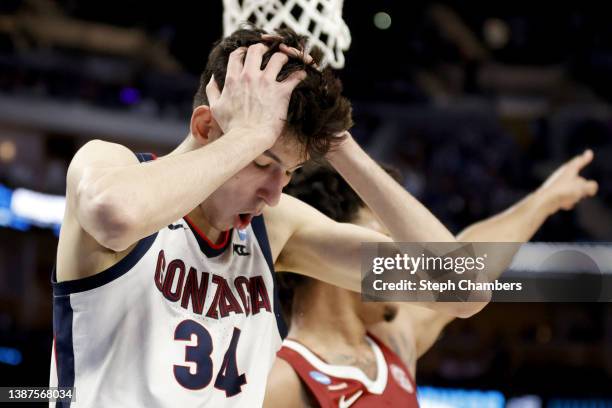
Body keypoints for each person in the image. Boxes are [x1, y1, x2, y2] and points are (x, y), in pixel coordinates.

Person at [49, 27, 475, 407]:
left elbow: (461, 290)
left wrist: (341, 146)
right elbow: (116, 217)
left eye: (289, 172)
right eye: (262, 163)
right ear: (205, 126)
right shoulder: (111, 165)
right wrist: (249, 135)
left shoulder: (275, 228)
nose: (274, 194)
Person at [263, 151, 598, 407]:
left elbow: (473, 262)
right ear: (339, 246)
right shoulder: (281, 382)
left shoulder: (392, 344)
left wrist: (545, 200)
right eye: (389, 239)